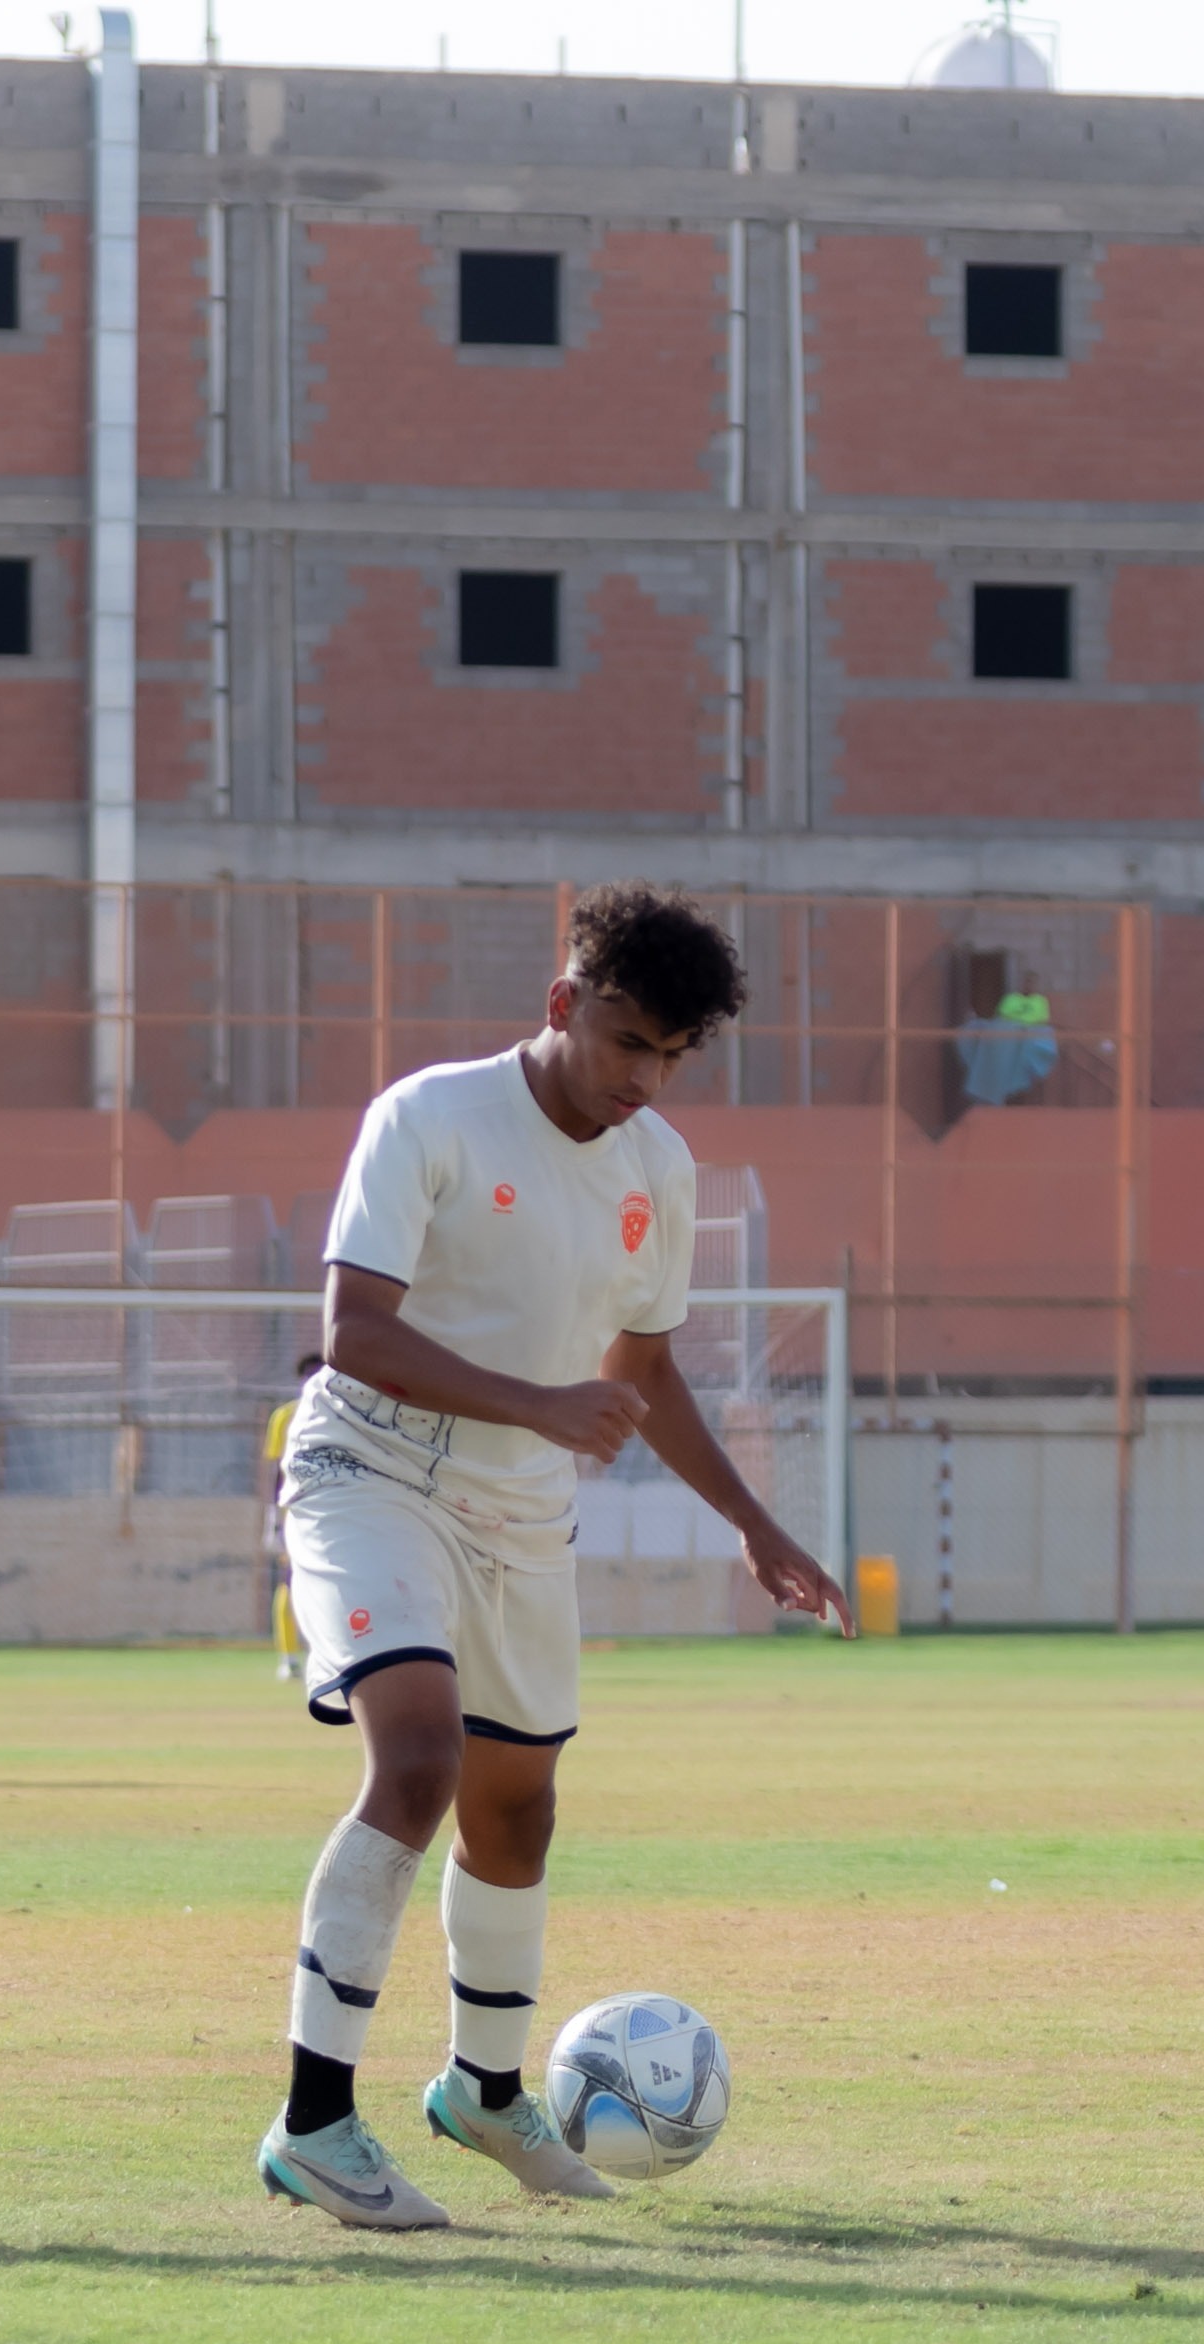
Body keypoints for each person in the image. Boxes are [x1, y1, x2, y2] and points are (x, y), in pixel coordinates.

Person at [256, 883, 845, 2231]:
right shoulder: (430, 1115)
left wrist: (755, 1523)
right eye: (629, 1041)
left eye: (675, 1056)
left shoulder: (659, 1170)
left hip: (521, 1509)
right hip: (371, 1468)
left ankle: (483, 2092)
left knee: (517, 1811)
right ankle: (314, 2122)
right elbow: (354, 1330)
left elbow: (645, 1372)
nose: (647, 1078)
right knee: (417, 1760)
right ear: (564, 1002)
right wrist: (540, 1403)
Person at [261, 1350, 319, 1682]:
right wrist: (273, 1517)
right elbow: (276, 1470)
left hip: (331, 1511)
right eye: (308, 1375)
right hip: (295, 1512)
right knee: (288, 1581)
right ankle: (289, 1656)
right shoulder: (285, 1416)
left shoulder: (344, 1413)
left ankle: (324, 1654)